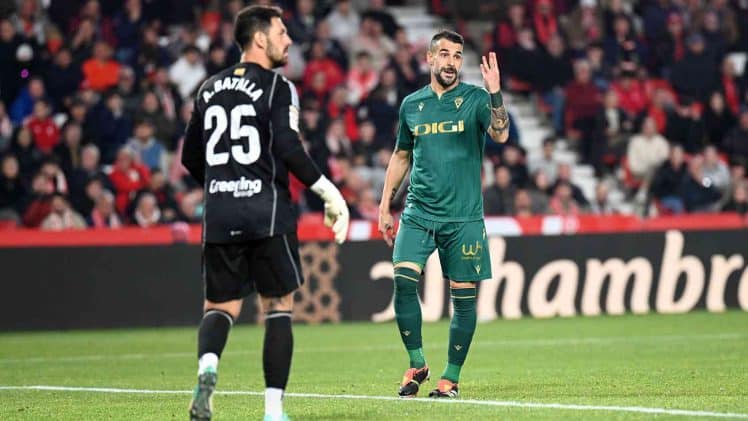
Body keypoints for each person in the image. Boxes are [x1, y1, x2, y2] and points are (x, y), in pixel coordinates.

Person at [180, 6, 349, 421]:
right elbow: (289, 148)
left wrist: (225, 181)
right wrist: (330, 193)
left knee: (220, 306)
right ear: (260, 39)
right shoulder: (278, 87)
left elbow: (189, 159)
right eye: (282, 31)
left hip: (219, 213)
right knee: (279, 305)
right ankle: (273, 410)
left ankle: (208, 370)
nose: (288, 39)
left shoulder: (206, 88)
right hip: (267, 211)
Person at [377, 30, 509, 399]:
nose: (451, 62)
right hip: (418, 212)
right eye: (445, 55)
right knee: (403, 280)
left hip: (463, 218)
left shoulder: (475, 100)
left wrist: (495, 92)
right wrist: (385, 204)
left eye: (457, 56)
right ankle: (417, 362)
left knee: (463, 300)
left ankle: (450, 378)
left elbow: (500, 133)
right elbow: (402, 155)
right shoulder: (412, 105)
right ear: (430, 59)